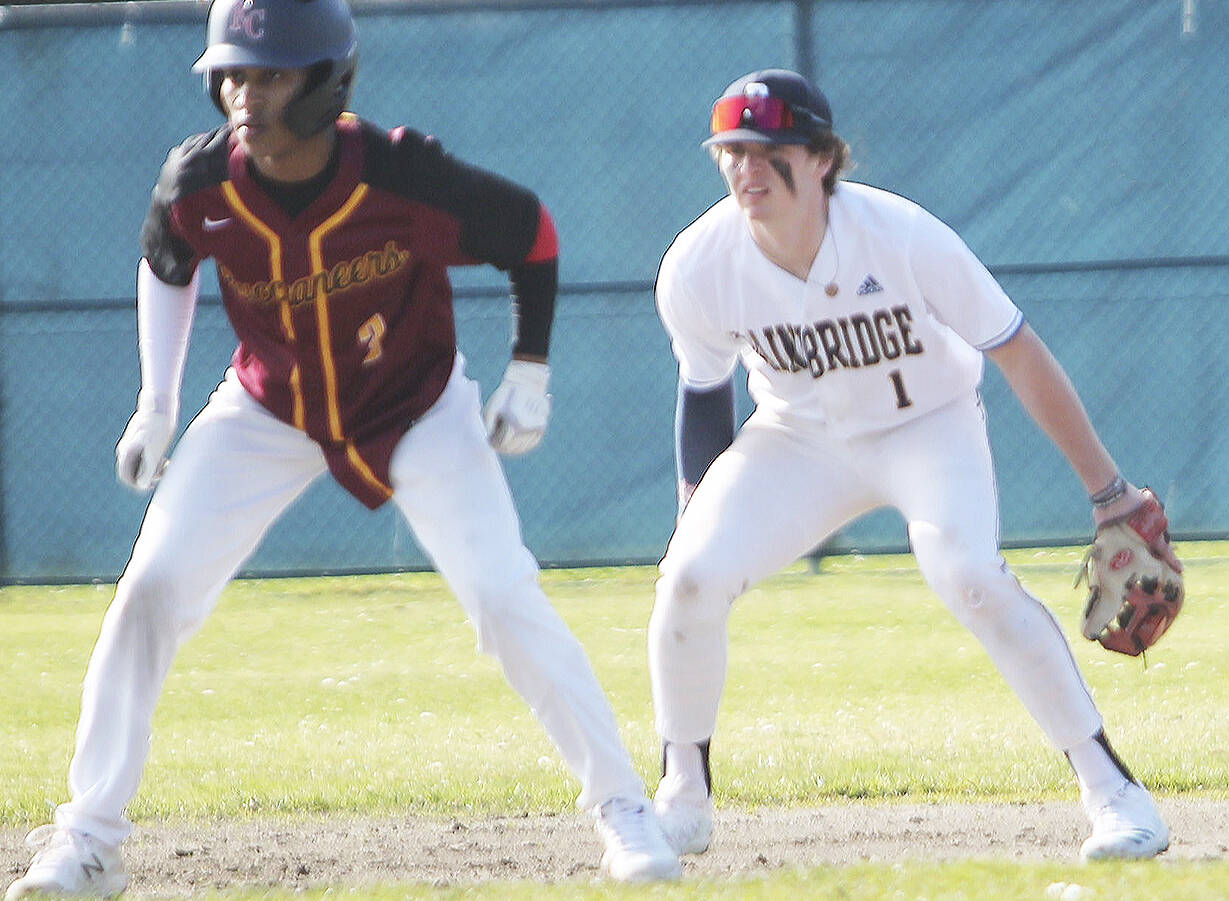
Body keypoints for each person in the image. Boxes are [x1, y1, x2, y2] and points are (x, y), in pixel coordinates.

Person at [4, 0, 682, 896]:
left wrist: (530, 370)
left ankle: (624, 807)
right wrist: (157, 404)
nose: (246, 95)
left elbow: (532, 234)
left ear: (328, 83)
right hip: (269, 406)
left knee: (499, 593)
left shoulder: (403, 174)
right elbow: (167, 259)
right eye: (233, 75)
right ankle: (90, 839)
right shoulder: (199, 180)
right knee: (150, 590)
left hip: (415, 406)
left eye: (272, 75)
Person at [648, 68, 1173, 864]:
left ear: (821, 157)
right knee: (688, 576)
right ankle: (682, 797)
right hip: (796, 439)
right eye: (731, 151)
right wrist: (695, 514)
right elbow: (703, 391)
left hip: (927, 426)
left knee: (969, 575)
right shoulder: (698, 263)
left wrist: (1108, 491)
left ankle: (1114, 793)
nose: (746, 168)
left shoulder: (899, 235)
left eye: (768, 149)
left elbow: (1017, 351)